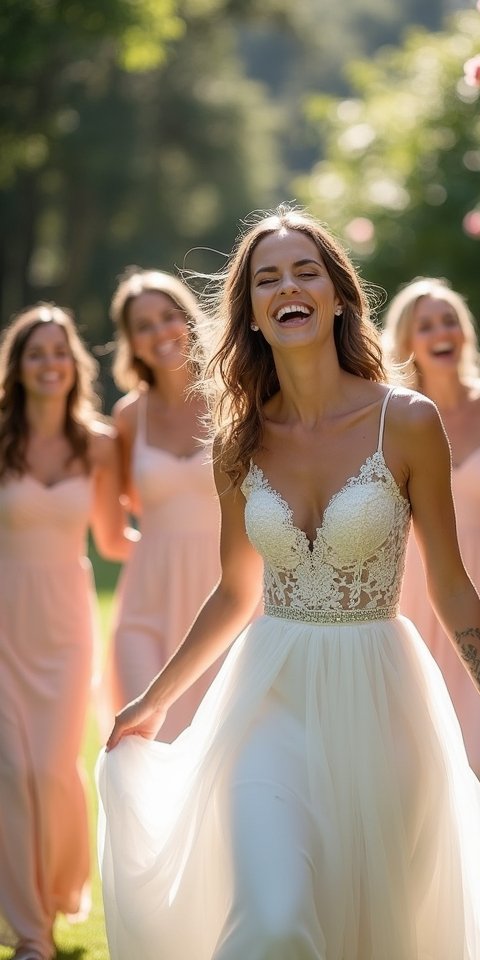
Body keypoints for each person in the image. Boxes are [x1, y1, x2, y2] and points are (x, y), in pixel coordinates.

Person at [97, 206, 480, 960]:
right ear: (250, 313)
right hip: (270, 696)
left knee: (375, 927)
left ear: (339, 296)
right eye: (267, 279)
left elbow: (449, 580)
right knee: (275, 916)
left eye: (305, 272)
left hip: (380, 694)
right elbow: (235, 591)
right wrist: (154, 701)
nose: (288, 287)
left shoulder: (407, 421)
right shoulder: (238, 439)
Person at [0, 304, 134, 960]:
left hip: (66, 624)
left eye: (59, 352)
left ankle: (56, 889)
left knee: (53, 770)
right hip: (4, 617)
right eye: (36, 353)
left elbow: (112, 536)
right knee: (12, 769)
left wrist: (196, 547)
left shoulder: (99, 443)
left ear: (74, 364)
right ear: (17, 366)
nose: (49, 364)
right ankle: (32, 932)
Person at [383, 277, 480, 812]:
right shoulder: (394, 415)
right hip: (416, 595)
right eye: (426, 325)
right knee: (422, 762)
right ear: (407, 341)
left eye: (450, 321)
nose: (441, 333)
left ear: (465, 332)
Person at [102, 268, 224, 741]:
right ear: (131, 342)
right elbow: (125, 512)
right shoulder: (128, 417)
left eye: (168, 317)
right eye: (143, 326)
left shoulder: (232, 398)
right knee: (143, 741)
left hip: (225, 595)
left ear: (189, 320)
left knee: (217, 747)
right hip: (146, 602)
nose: (159, 332)